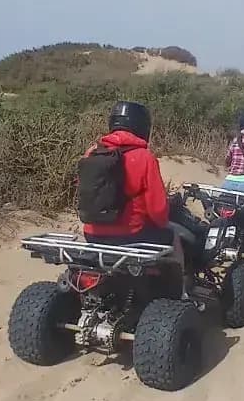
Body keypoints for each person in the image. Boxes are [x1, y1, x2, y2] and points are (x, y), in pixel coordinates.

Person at [81, 100, 191, 282]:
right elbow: (157, 210)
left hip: (92, 234)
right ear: (142, 126)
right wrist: (162, 223)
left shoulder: (92, 152)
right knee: (174, 236)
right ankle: (179, 293)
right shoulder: (144, 157)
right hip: (131, 235)